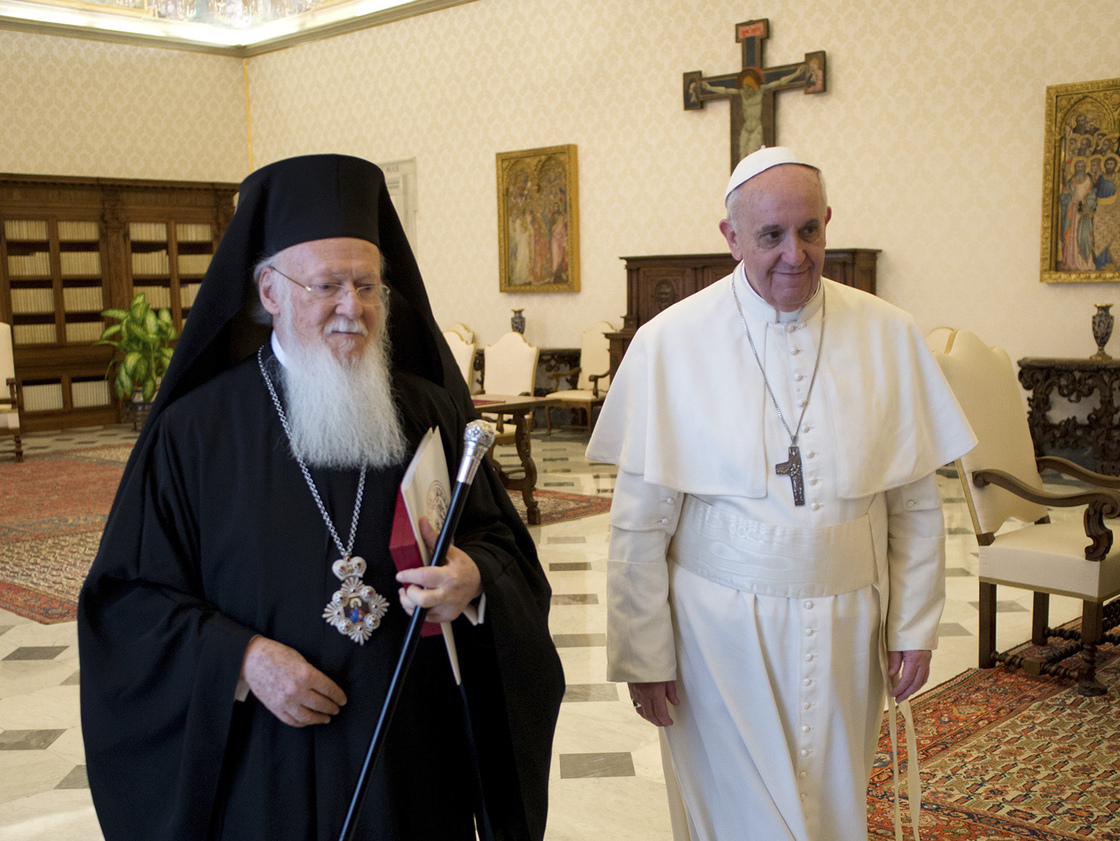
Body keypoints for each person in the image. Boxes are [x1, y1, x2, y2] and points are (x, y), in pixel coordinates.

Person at [79, 154, 565, 841]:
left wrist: (473, 577)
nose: (353, 308)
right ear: (269, 291)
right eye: (328, 285)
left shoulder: (426, 409)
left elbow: (501, 547)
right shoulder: (195, 433)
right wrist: (241, 658)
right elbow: (128, 603)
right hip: (263, 768)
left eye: (368, 285)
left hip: (413, 760)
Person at [586, 146, 975, 841]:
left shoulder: (888, 333)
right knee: (746, 820)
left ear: (828, 222)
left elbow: (914, 504)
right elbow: (640, 523)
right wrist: (645, 653)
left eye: (809, 231)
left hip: (847, 627)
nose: (794, 254)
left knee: (831, 807)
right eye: (770, 235)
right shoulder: (671, 342)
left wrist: (914, 623)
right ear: (730, 237)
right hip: (717, 634)